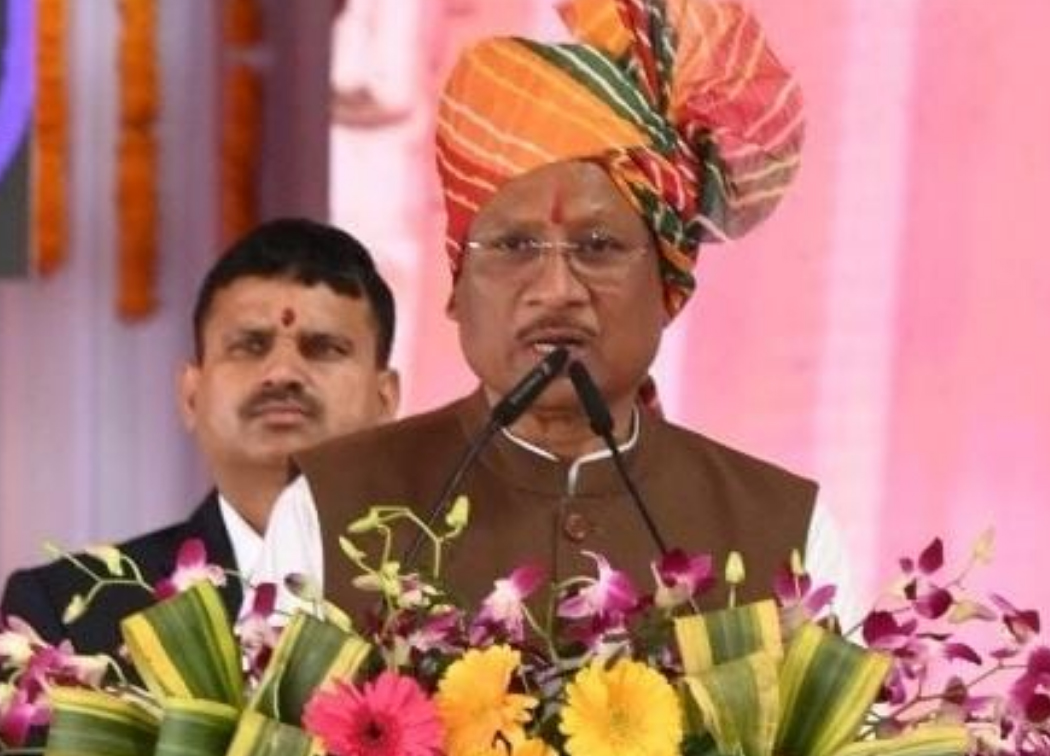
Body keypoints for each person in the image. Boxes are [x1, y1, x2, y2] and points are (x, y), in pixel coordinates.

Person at [275, 0, 853, 622]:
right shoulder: (328, 511)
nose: (556, 290)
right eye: (514, 246)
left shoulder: (784, 532)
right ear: (458, 287)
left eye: (598, 247)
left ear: (669, 288)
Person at [0, 218, 400, 658]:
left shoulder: (439, 599)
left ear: (385, 399)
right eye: (250, 345)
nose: (283, 373)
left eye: (323, 348)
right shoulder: (65, 612)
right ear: (192, 395)